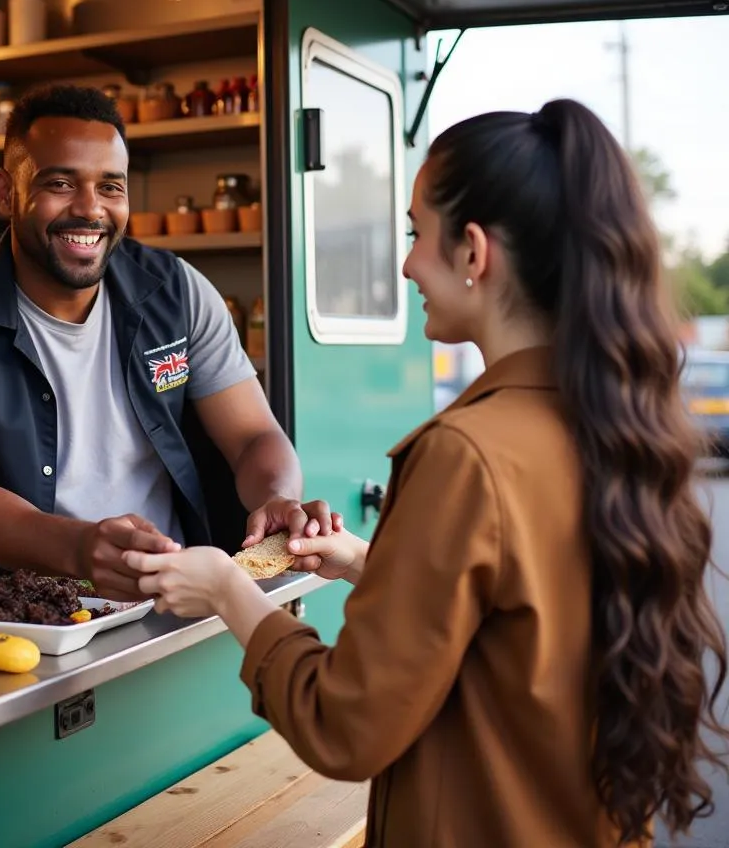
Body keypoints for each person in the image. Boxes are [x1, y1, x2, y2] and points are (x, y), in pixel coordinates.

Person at [125, 99, 729, 847]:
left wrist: (225, 588)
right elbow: (525, 620)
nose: (407, 263)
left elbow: (346, 726)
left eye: (416, 234)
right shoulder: (615, 422)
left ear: (473, 252)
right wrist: (369, 565)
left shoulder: (465, 452)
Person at [0, 84, 338, 600]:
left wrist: (277, 497)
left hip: (166, 600)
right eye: (60, 183)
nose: (90, 209)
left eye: (111, 187)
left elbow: (255, 436)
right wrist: (80, 550)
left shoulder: (177, 290)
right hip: (1, 615)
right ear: (6, 192)